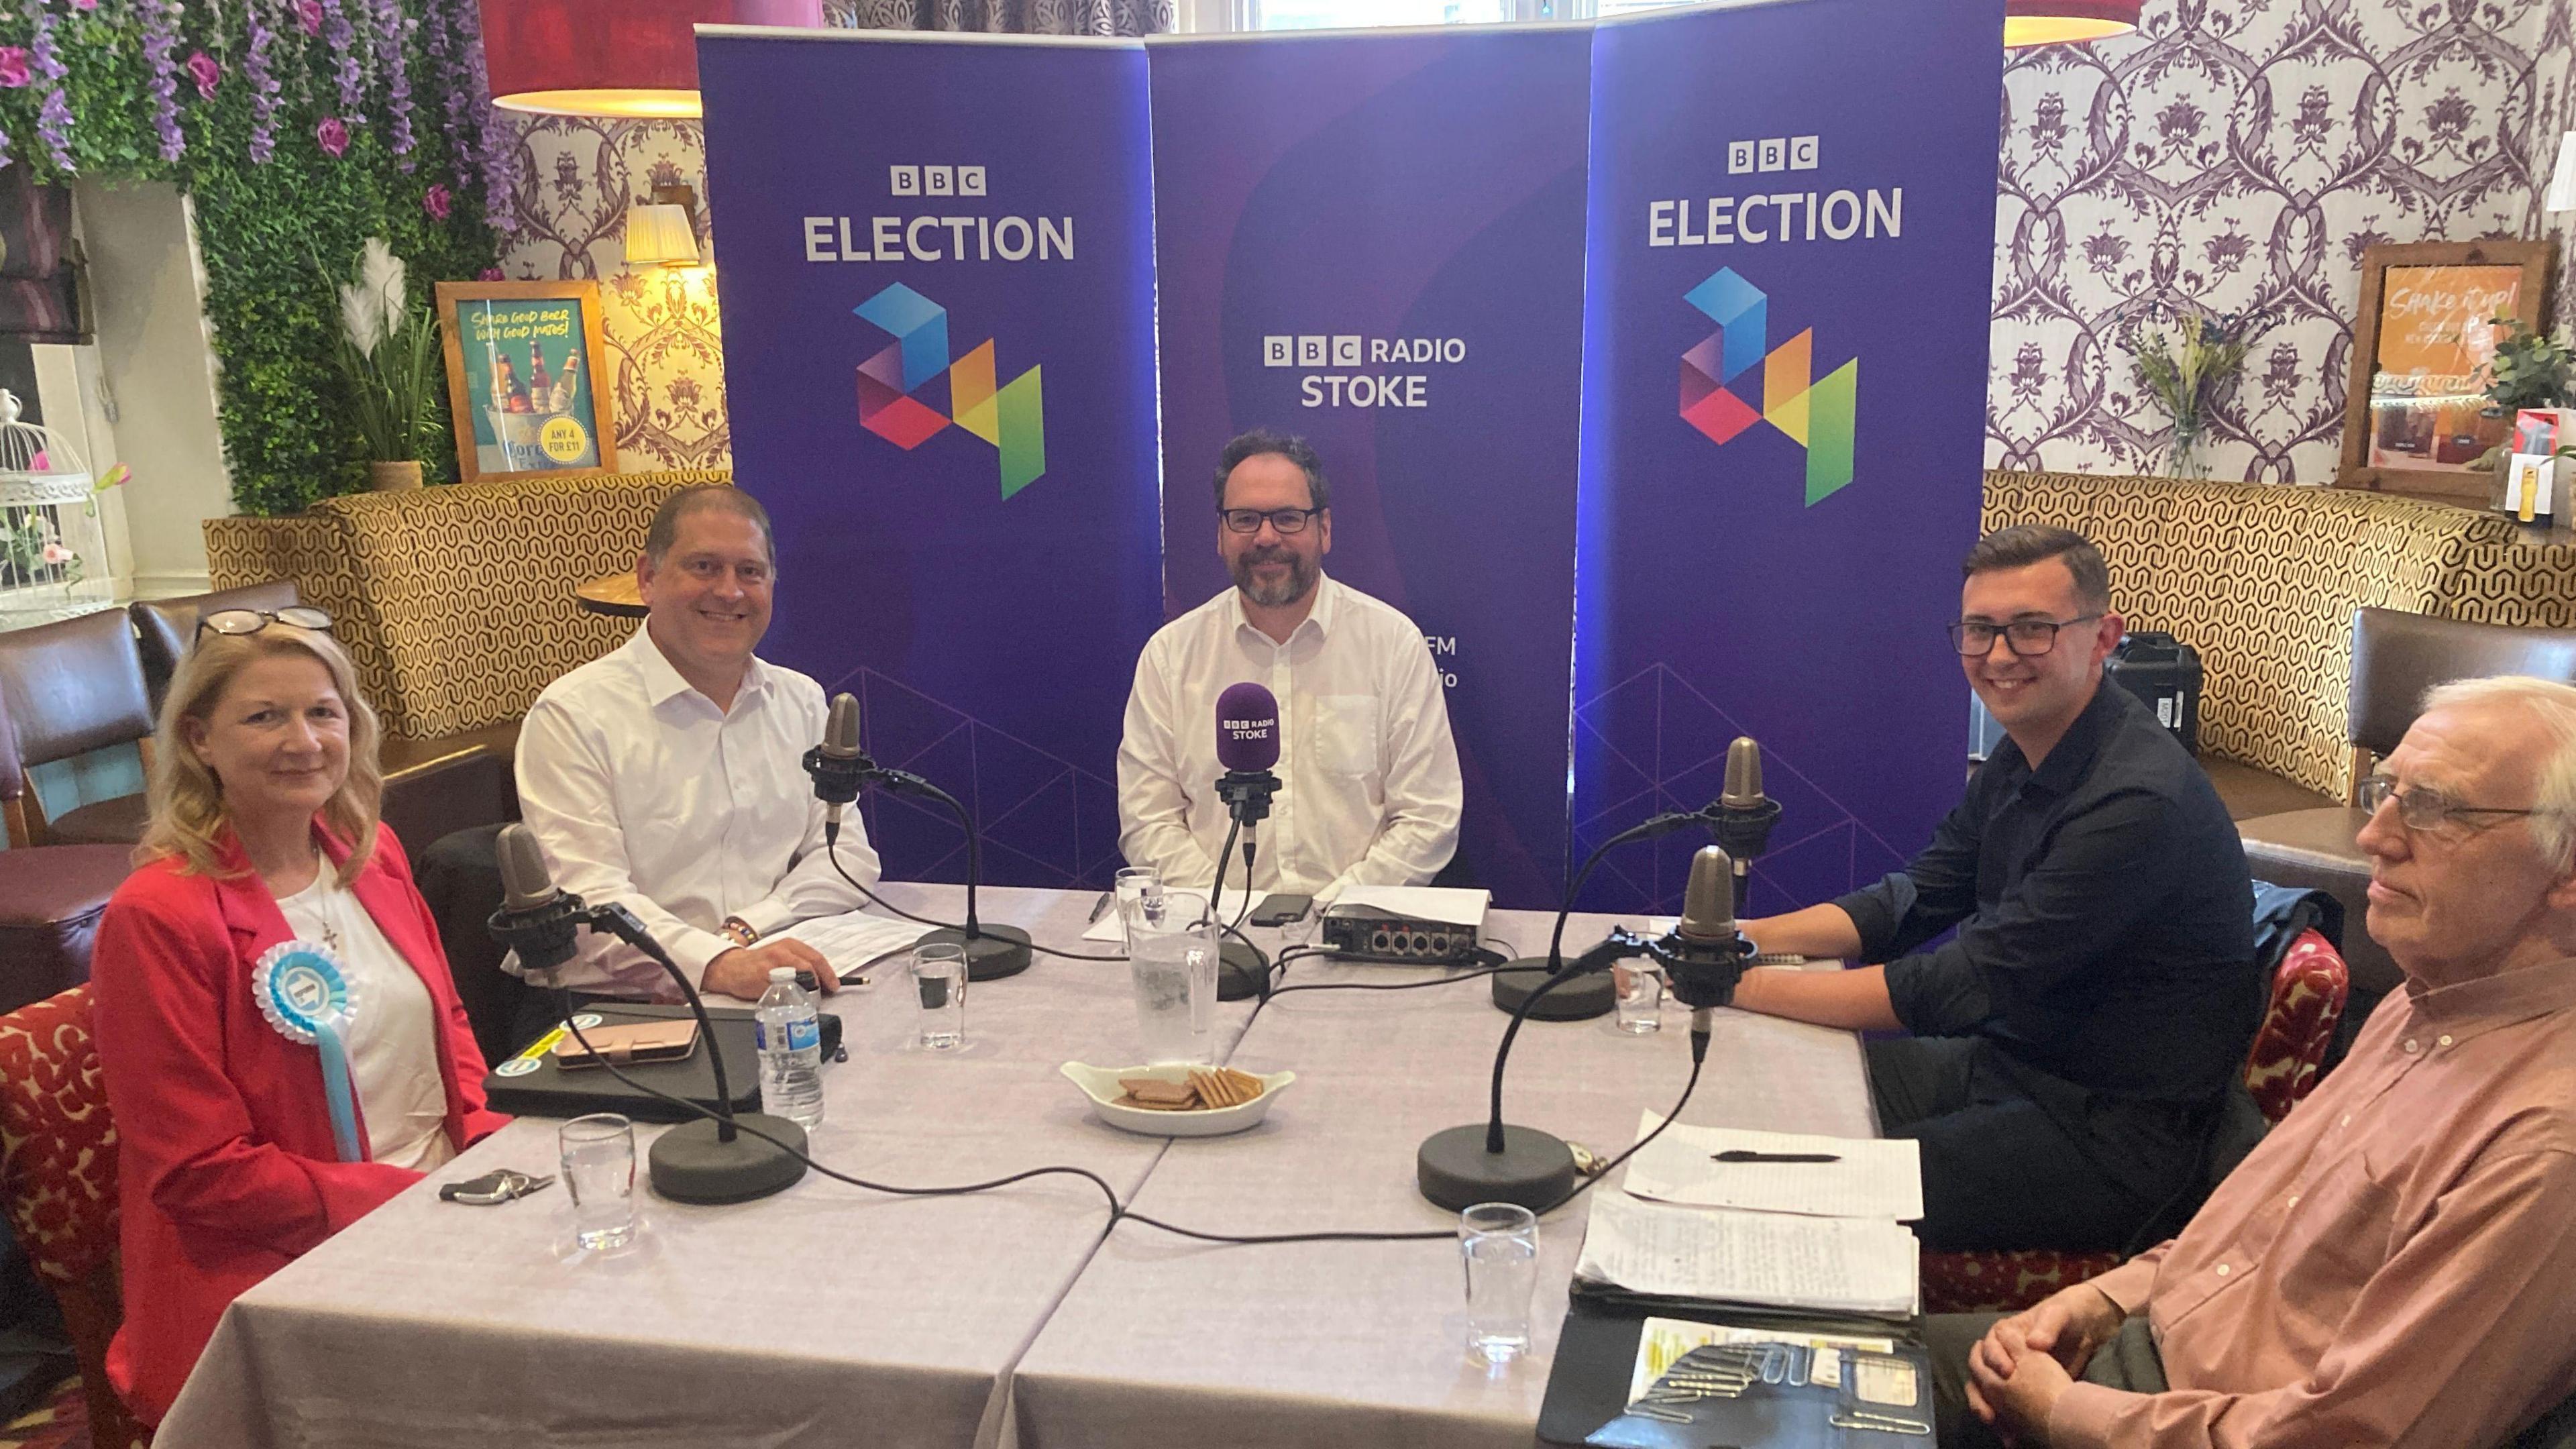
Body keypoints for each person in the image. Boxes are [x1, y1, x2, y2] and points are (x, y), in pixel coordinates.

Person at [1931, 674, 2576, 1449]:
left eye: (2438, 807)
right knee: (1790, 1352)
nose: (2377, 835)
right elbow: (2247, 1244)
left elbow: (2348, 1438)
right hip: (2133, 1355)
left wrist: (2065, 1414)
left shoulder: (2543, 1143)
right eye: (2387, 792)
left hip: (2153, 1418)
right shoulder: (2424, 1000)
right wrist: (2103, 1300)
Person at [1729, 525, 2257, 1250]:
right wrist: (1734, 942)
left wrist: (1736, 986)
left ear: (2104, 636)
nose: (2000, 656)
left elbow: (1958, 985)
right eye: (1980, 631)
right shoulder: (2030, 749)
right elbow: (1915, 897)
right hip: (2009, 1066)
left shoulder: (2136, 801)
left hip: (2105, 1137)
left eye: (2031, 630)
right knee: (1765, 1093)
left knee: (1797, 1193)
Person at [89, 608, 508, 1428]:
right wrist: (409, 1203)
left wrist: (492, 1152)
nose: (304, 740)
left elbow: (447, 1026)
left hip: (441, 1210)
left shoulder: (369, 850)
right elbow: (198, 1173)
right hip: (278, 1268)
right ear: (201, 740)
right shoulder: (160, 916)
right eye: (264, 716)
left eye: (323, 712)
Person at [515, 484, 883, 1002]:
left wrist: (744, 934)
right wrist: (717, 965)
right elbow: (589, 904)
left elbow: (846, 858)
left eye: (749, 572)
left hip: (767, 985)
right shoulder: (574, 716)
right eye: (704, 567)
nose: (730, 592)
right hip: (616, 1010)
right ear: (648, 578)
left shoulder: (800, 701)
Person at [1118, 428, 1462, 900]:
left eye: (1287, 518)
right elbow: (1147, 819)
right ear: (1220, 534)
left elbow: (1430, 817)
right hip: (1215, 936)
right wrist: (1228, 911)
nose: (1265, 537)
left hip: (1350, 935)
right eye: (1244, 519)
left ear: (1323, 529)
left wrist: (1329, 911)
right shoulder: (1171, 656)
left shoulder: (1392, 645)